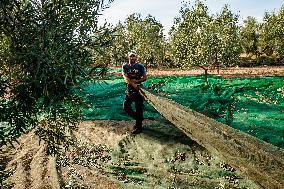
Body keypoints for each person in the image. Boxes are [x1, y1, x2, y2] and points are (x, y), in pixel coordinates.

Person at [122, 50, 147, 134]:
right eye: (131, 56)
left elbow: (144, 78)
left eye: (134, 56)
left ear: (136, 57)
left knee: (138, 108)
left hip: (139, 90)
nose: (132, 57)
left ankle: (138, 127)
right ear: (128, 57)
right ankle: (139, 118)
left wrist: (136, 82)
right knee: (126, 107)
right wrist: (133, 84)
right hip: (130, 90)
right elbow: (126, 79)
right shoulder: (125, 66)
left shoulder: (140, 66)